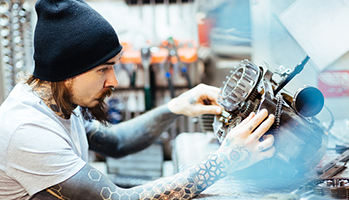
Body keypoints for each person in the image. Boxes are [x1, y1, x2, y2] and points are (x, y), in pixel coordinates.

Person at [0, 0, 275, 199]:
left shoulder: (60, 103)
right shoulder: (29, 130)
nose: (114, 81)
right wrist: (225, 160)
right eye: (103, 69)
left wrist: (175, 107)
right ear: (66, 71)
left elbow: (116, 142)